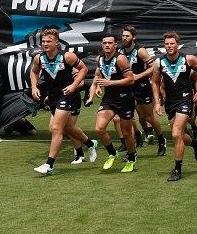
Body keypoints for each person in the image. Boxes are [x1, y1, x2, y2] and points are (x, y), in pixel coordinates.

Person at [30, 28, 97, 175]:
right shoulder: (39, 58)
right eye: (43, 41)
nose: (45, 44)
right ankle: (90, 143)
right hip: (52, 97)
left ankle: (49, 165)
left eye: (49, 41)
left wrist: (74, 86)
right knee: (67, 128)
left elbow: (83, 69)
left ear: (57, 43)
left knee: (56, 128)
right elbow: (34, 72)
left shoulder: (67, 56)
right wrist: (34, 87)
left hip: (68, 96)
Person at [152, 31, 197, 181]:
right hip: (170, 101)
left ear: (177, 44)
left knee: (176, 134)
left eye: (172, 43)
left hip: (185, 99)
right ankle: (195, 144)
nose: (169, 46)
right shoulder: (159, 62)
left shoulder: (188, 59)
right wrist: (157, 102)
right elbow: (155, 83)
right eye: (167, 44)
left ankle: (177, 169)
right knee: (180, 135)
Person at [88, 33, 137, 172]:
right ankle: (112, 153)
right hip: (109, 99)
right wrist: (94, 91)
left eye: (110, 43)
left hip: (125, 99)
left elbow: (131, 79)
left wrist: (110, 82)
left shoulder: (120, 59)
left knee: (127, 133)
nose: (107, 45)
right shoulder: (99, 59)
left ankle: (132, 157)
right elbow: (97, 77)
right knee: (99, 128)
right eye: (104, 43)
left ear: (116, 44)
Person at [120, 25, 166, 155]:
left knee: (147, 117)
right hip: (126, 87)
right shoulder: (120, 51)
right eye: (123, 36)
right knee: (125, 116)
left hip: (141, 87)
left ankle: (162, 140)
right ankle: (134, 143)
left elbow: (154, 68)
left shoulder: (140, 51)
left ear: (134, 37)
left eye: (127, 36)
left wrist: (138, 76)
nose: (124, 38)